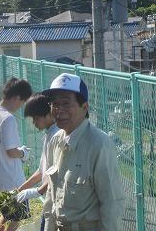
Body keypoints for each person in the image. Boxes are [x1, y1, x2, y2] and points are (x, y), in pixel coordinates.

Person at [42, 73, 125, 231]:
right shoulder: (55, 140)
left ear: (84, 107)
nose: (59, 110)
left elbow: (111, 204)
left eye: (66, 103)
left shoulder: (99, 144)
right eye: (54, 104)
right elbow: (51, 197)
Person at [0, 78, 32, 231]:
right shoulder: (8, 118)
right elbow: (11, 151)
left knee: (6, 213)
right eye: (23, 102)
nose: (21, 106)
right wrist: (24, 153)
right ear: (17, 97)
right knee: (17, 217)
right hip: (10, 177)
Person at [16, 94, 60, 231]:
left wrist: (38, 191)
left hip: (57, 200)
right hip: (49, 198)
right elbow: (42, 171)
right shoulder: (49, 134)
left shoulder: (58, 135)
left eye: (36, 118)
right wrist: (20, 189)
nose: (34, 122)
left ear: (49, 114)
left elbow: (58, 170)